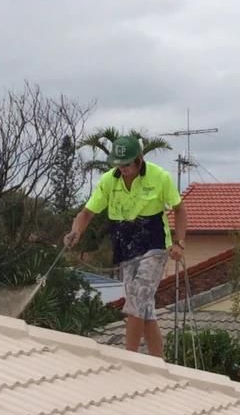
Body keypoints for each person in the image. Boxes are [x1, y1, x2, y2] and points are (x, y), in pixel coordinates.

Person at [64, 135, 188, 358]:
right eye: (119, 164)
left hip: (155, 245)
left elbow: (180, 210)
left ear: (139, 159)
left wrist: (179, 243)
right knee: (144, 308)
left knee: (137, 298)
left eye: (127, 164)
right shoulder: (109, 181)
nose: (123, 169)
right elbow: (87, 213)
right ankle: (158, 362)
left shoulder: (160, 177)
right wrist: (76, 232)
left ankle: (128, 359)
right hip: (126, 246)